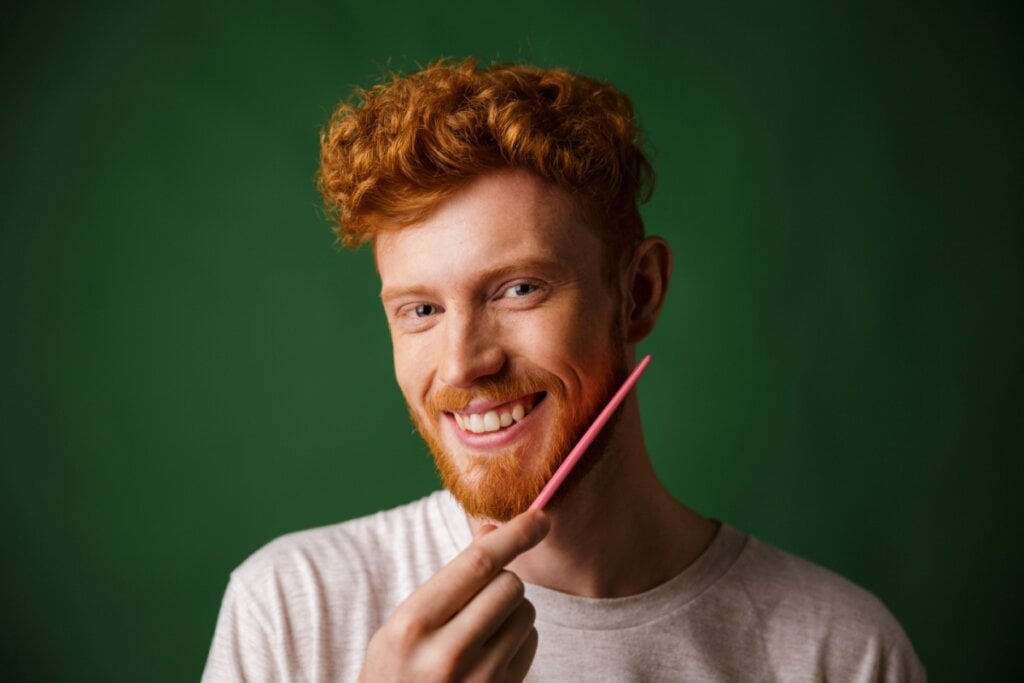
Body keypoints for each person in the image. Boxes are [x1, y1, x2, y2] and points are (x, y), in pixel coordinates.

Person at [202, 58, 925, 682]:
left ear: (638, 292)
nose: (463, 363)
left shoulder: (841, 649)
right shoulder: (291, 606)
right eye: (420, 310)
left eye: (519, 289)